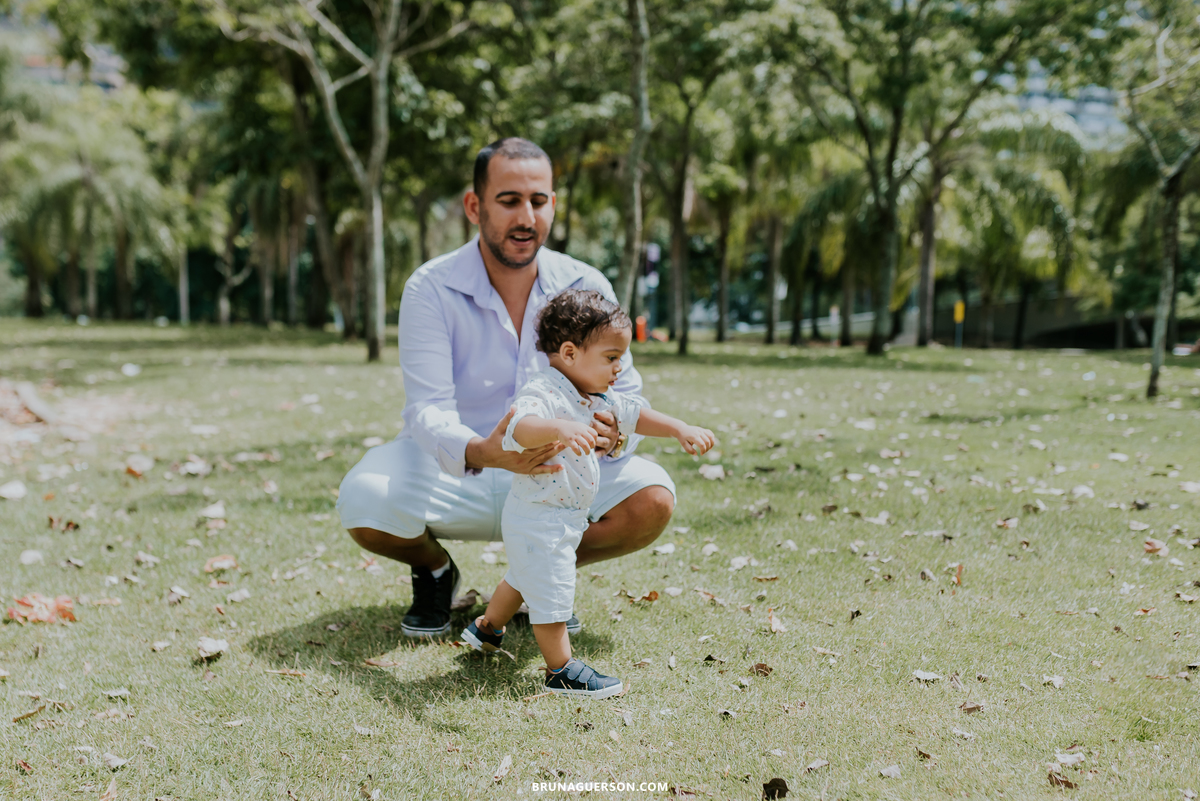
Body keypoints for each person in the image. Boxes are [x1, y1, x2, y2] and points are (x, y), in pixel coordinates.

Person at [336, 138, 677, 639]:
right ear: (475, 206)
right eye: (509, 200)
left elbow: (627, 391)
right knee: (364, 500)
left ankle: (539, 577)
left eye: (538, 201)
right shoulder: (430, 286)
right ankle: (434, 573)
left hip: (561, 473)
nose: (527, 217)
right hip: (463, 468)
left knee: (654, 499)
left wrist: (614, 434)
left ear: (553, 205)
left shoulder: (586, 281)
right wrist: (486, 451)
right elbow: (428, 410)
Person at [460, 290, 714, 698]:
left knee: (525, 575)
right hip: (540, 511)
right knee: (554, 592)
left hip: (562, 512)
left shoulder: (599, 395)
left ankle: (486, 629)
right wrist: (558, 428)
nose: (619, 368)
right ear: (570, 352)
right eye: (612, 357)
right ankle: (560, 669)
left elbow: (635, 413)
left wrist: (679, 428)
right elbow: (519, 426)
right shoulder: (545, 391)